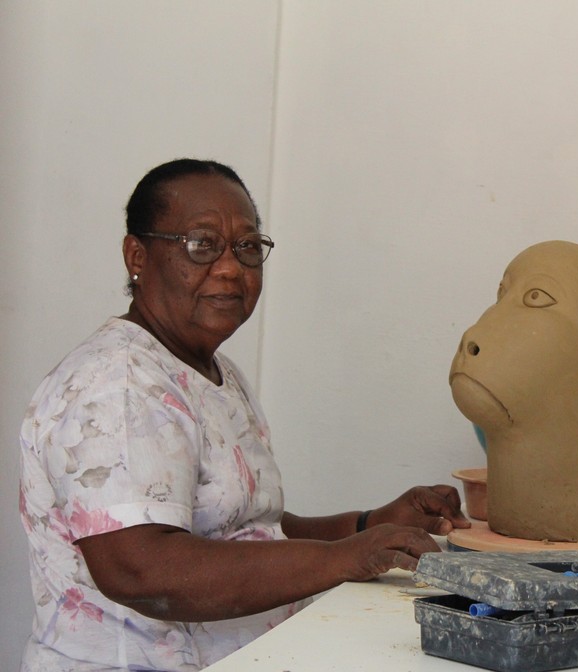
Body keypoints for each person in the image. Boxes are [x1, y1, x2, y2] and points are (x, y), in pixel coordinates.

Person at [18, 158, 470, 671]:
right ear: (137, 256)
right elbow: (142, 570)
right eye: (202, 244)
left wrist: (370, 525)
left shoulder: (212, 371)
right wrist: (347, 556)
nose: (231, 267)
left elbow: (253, 530)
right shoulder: (115, 383)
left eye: (248, 247)